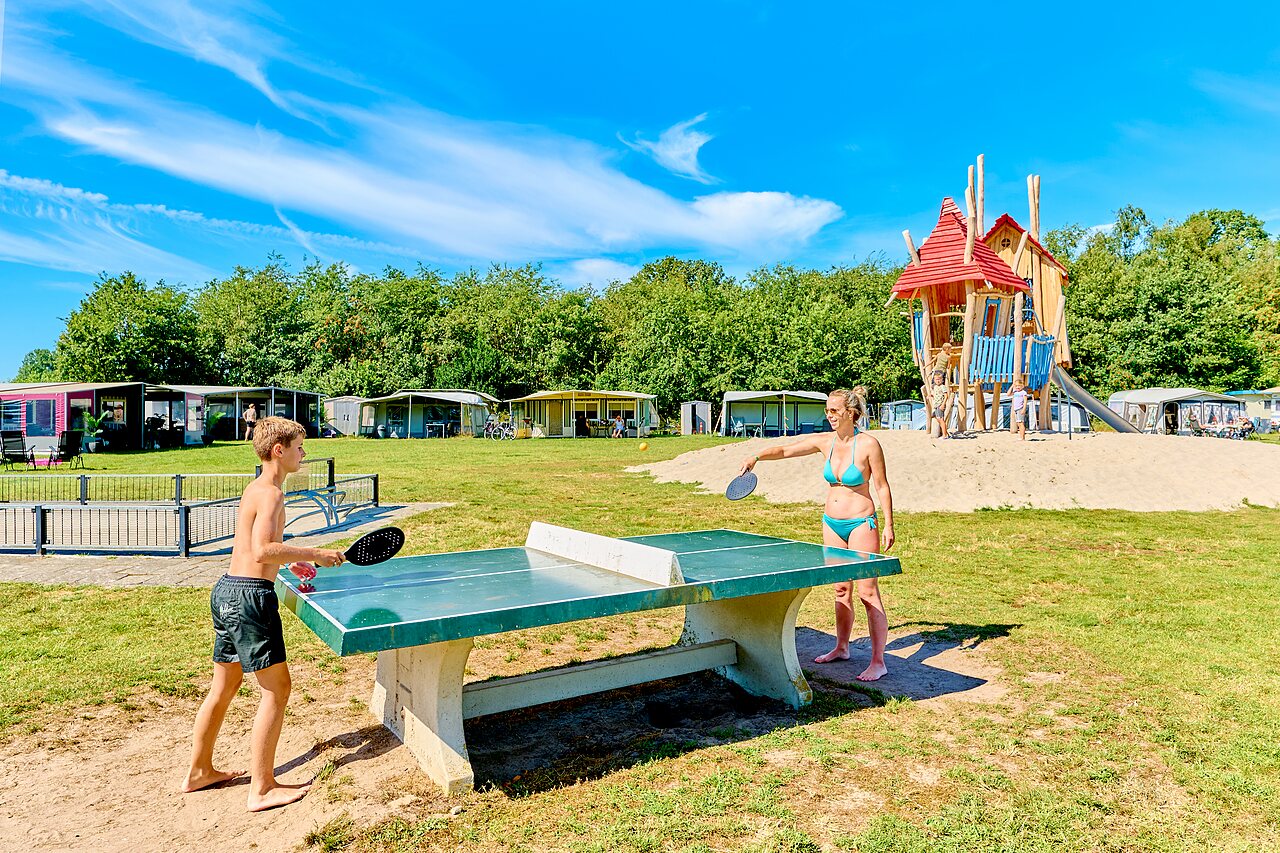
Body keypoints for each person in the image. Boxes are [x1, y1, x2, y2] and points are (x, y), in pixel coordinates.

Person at [181, 417, 346, 811]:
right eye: (299, 447)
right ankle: (263, 788)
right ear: (279, 450)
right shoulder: (272, 494)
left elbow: (258, 552)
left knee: (223, 688)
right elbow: (261, 551)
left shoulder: (255, 489)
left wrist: (288, 563)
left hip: (227, 591)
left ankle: (199, 771)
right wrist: (314, 553)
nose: (303, 454)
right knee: (278, 689)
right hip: (251, 599)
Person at [738, 388, 894, 681]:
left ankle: (878, 661)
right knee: (840, 589)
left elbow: (882, 486)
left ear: (850, 412)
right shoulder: (825, 442)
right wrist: (755, 456)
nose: (829, 416)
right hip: (831, 523)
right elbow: (786, 449)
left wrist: (888, 524)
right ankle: (842, 647)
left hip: (861, 523)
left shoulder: (869, 445)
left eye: (833, 411)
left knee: (867, 591)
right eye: (827, 411)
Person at [929, 371, 950, 439]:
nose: (937, 381)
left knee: (940, 419)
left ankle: (945, 435)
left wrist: (943, 404)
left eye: (939, 379)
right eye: (936, 379)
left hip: (940, 405)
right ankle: (946, 433)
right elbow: (936, 395)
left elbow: (946, 396)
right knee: (935, 416)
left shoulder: (942, 387)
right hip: (936, 405)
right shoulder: (935, 387)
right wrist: (931, 395)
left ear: (942, 380)